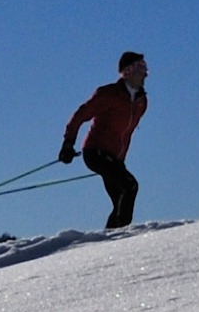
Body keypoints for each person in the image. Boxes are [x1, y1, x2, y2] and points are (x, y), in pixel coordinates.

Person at [59, 52, 151, 229]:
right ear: (128, 72)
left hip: (115, 159)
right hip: (96, 152)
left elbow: (127, 134)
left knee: (120, 199)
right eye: (141, 68)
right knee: (130, 186)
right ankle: (120, 237)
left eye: (146, 68)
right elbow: (81, 115)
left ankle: (108, 239)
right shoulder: (109, 94)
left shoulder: (141, 102)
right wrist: (68, 143)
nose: (145, 74)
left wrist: (120, 163)